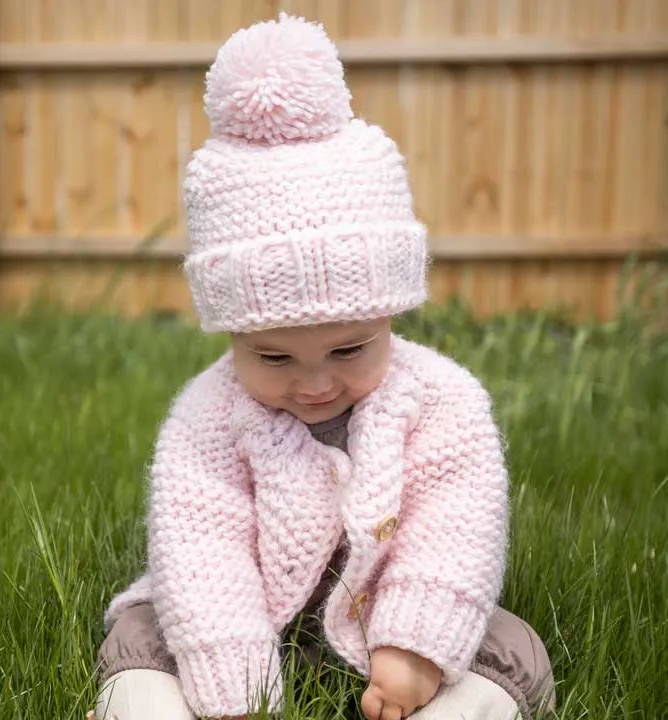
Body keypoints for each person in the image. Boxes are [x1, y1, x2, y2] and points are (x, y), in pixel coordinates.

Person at [91, 13, 556, 720]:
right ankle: (148, 707)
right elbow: (200, 543)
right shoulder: (209, 415)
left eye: (349, 349)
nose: (313, 383)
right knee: (146, 632)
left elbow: (456, 523)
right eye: (273, 356)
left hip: (384, 616)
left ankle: (444, 700)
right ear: (233, 333)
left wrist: (416, 646)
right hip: (248, 617)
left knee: (506, 645)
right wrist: (232, 679)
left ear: (391, 314)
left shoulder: (440, 403)